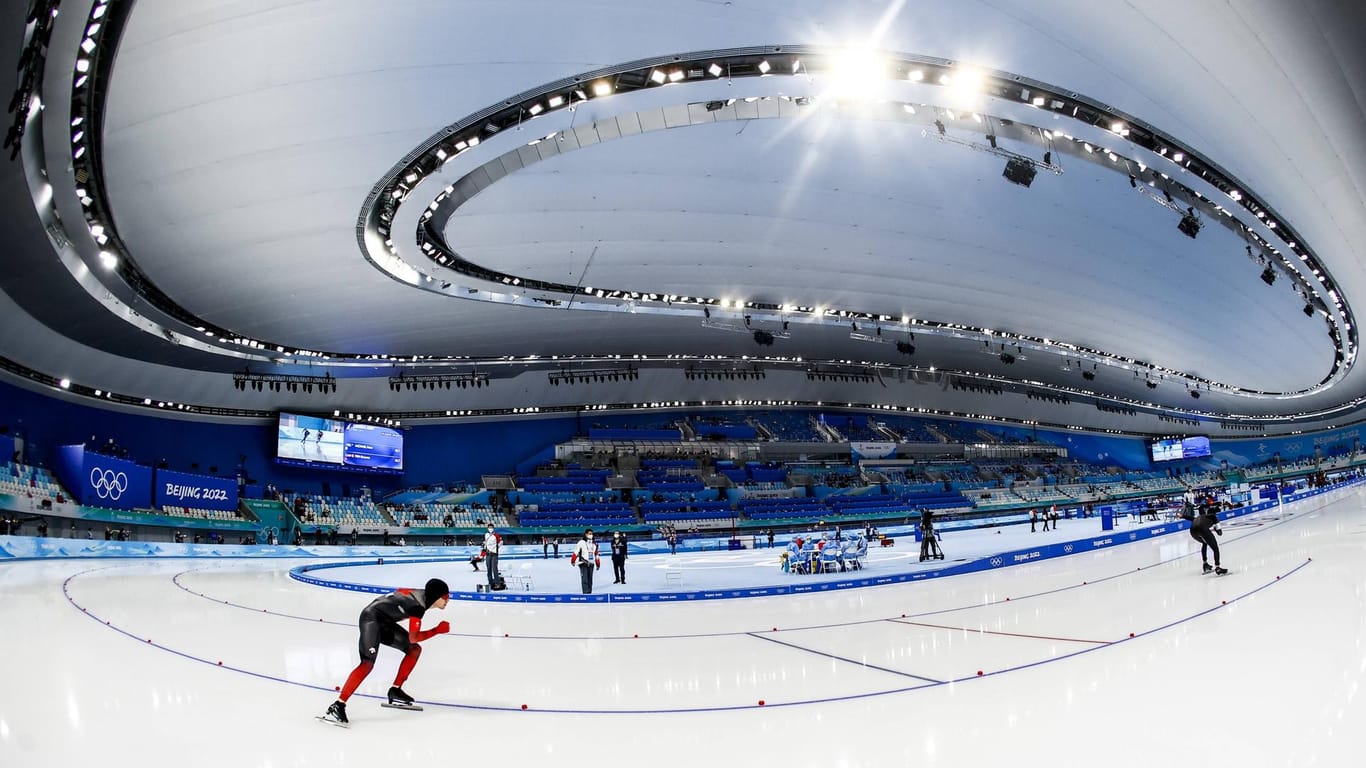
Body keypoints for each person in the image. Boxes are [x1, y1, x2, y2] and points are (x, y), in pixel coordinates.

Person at [320, 578, 450, 725]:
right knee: (367, 663)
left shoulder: (423, 596)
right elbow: (414, 637)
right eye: (445, 597)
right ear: (436, 596)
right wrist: (437, 630)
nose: (448, 600)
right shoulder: (418, 606)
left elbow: (399, 592)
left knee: (414, 650)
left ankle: (395, 689)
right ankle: (339, 704)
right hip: (371, 619)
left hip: (384, 620)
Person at [1185, 504, 1228, 575]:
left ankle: (1205, 564)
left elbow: (1192, 518)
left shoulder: (1201, 516)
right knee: (1215, 548)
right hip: (1202, 529)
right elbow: (1220, 533)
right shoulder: (1214, 517)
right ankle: (1218, 568)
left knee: (1204, 543)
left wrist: (1183, 516)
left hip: (1192, 531)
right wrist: (1216, 528)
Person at [570, 528, 600, 594]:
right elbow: (576, 552)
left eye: (592, 534)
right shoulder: (581, 542)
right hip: (583, 563)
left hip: (591, 564)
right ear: (586, 534)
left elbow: (596, 554)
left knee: (590, 580)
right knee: (585, 580)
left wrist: (598, 564)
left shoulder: (594, 544)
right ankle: (586, 594)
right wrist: (573, 560)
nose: (591, 535)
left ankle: (589, 594)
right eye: (589, 534)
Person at [482, 524, 502, 589]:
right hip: (488, 554)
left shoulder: (496, 535)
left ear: (493, 528)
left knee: (494, 568)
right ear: (487, 528)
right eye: (489, 527)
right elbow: (486, 543)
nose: (490, 528)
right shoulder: (486, 535)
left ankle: (497, 583)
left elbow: (501, 542)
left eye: (491, 527)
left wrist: (497, 547)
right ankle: (491, 583)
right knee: (489, 569)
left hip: (494, 554)